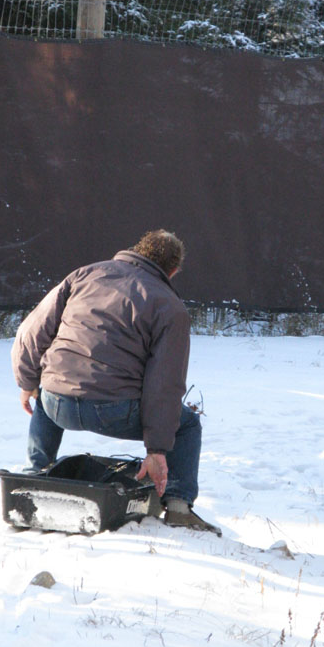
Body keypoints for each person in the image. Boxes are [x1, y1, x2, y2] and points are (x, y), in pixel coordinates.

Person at [11, 229, 220, 535]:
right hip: (114, 411)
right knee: (187, 425)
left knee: (52, 384)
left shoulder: (83, 275)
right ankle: (178, 508)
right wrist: (158, 450)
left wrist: (27, 382)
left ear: (136, 250)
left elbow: (32, 331)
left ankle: (35, 474)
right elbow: (165, 383)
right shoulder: (169, 307)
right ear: (173, 270)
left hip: (58, 406)